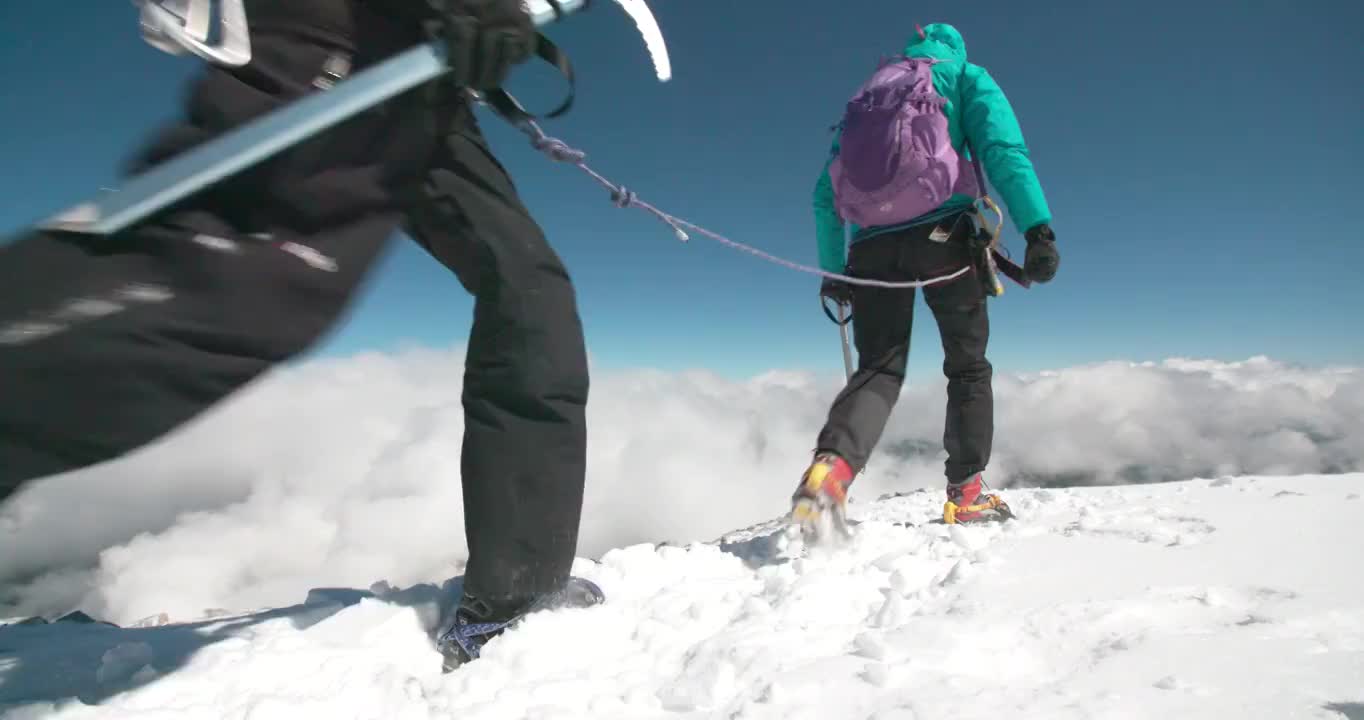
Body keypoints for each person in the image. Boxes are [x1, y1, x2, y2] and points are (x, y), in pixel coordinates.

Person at [0, 0, 602, 670]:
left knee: (528, 285)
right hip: (345, 29)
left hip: (427, 80)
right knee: (233, 278)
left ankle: (516, 593)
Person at [791, 22, 1060, 527]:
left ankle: (830, 470)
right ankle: (967, 493)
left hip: (870, 251)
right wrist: (1037, 229)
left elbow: (824, 196)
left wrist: (835, 272)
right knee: (968, 365)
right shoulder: (964, 76)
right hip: (947, 239)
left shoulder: (870, 94)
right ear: (955, 48)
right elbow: (1003, 152)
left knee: (879, 368)